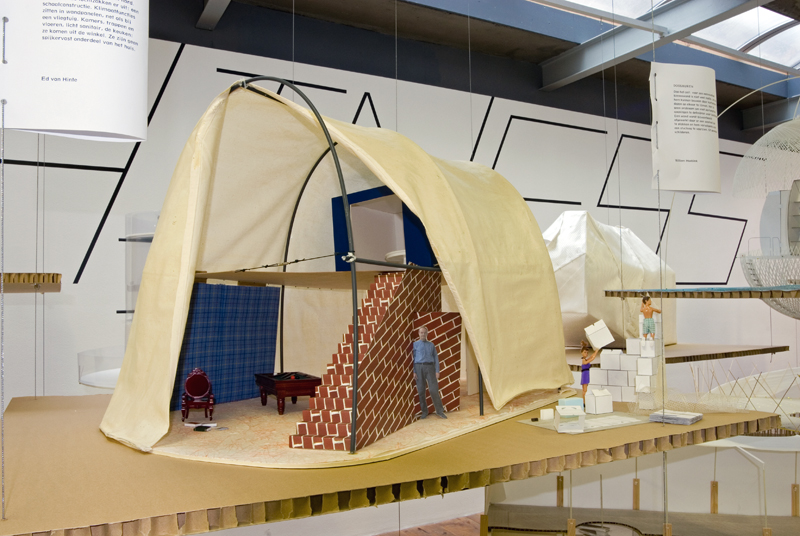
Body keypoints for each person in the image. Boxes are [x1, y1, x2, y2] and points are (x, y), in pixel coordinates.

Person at [412, 326, 447, 419]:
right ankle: (424, 411)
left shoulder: (431, 345)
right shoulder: (415, 345)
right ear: (419, 333)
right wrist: (414, 371)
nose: (423, 334)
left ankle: (439, 411)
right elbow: (412, 358)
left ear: (427, 334)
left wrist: (437, 370)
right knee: (421, 391)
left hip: (430, 367)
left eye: (424, 333)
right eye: (421, 332)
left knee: (433, 390)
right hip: (419, 368)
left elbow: (436, 357)